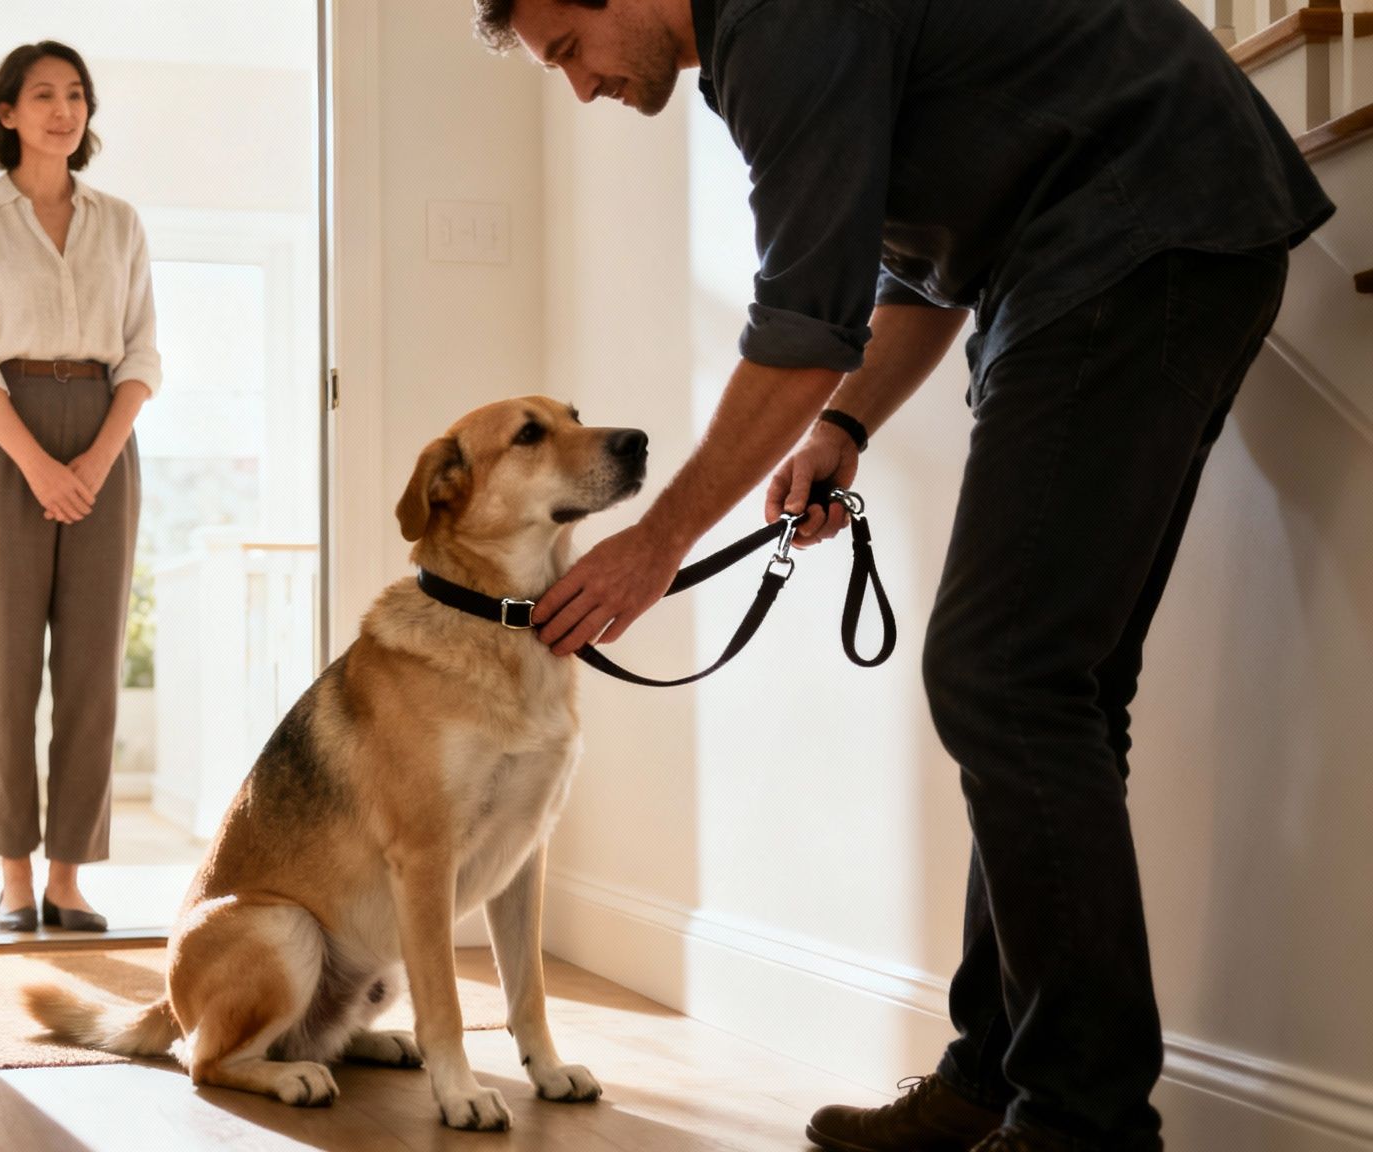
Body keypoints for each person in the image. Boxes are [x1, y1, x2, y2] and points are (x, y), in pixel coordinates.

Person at [473, 0, 1334, 1148]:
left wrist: (653, 539)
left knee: (1004, 675)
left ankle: (1079, 1122)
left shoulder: (780, 21)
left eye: (569, 50)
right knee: (1043, 689)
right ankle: (995, 1078)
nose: (579, 87)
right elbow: (918, 275)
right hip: (1114, 241)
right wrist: (843, 425)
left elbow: (796, 324)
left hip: (1135, 227)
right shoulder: (760, 49)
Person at [0, 40, 161, 935]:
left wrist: (97, 459)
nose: (62, 110)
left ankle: (69, 876)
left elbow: (144, 352)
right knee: (5, 671)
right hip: (5, 436)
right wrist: (39, 463)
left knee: (90, 671)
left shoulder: (121, 222)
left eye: (76, 94)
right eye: (41, 95)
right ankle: (11, 874)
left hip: (108, 436)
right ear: (6, 113)